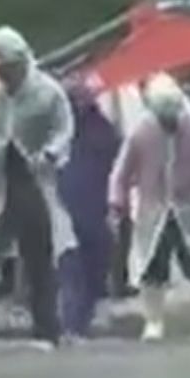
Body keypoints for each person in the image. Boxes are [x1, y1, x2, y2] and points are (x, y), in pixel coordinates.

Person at [0, 26, 77, 351]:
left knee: (39, 257)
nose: (5, 76)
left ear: (22, 61)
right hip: (1, 181)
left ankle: (47, 330)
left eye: (9, 69)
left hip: (34, 179)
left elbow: (64, 127)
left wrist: (52, 153)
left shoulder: (47, 91)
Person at [109, 74, 190, 342]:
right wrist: (117, 202)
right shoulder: (141, 133)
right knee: (151, 270)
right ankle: (154, 322)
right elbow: (121, 173)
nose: (170, 120)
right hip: (153, 209)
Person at [56, 82, 121, 341]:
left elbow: (118, 164)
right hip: (71, 209)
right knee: (74, 270)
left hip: (92, 209)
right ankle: (73, 324)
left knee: (90, 270)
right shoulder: (58, 129)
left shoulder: (101, 130)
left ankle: (78, 321)